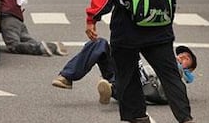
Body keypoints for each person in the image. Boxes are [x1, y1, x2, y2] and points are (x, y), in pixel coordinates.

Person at [51, 38, 198, 106]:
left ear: (189, 69)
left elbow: (161, 95)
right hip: (124, 71)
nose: (180, 58)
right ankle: (66, 77)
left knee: (130, 72)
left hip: (134, 86)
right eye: (180, 55)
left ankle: (111, 88)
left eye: (186, 59)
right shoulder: (160, 62)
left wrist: (176, 69)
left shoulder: (177, 82)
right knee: (99, 44)